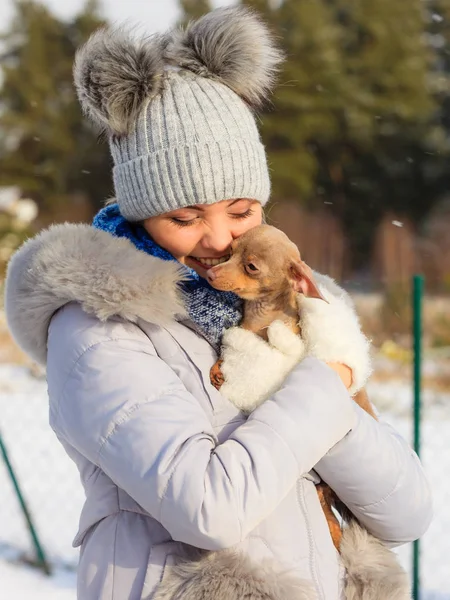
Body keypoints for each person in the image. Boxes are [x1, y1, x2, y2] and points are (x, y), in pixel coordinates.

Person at [5, 7, 431, 600]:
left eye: (241, 210)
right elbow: (210, 508)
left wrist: (317, 383)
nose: (218, 240)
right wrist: (320, 384)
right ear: (140, 210)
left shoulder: (295, 307)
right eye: (184, 217)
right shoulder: (100, 329)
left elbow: (406, 512)